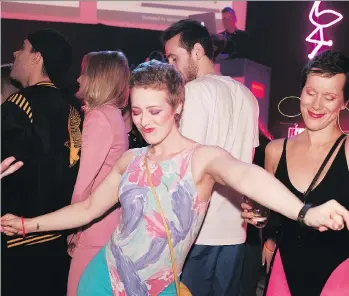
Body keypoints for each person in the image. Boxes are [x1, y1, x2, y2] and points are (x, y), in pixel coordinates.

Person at [2, 60, 349, 296]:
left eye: (155, 111)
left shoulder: (201, 159)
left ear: (178, 105)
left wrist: (305, 212)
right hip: (102, 279)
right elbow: (88, 209)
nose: (144, 122)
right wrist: (26, 224)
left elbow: (245, 174)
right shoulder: (130, 160)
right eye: (136, 111)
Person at [162, 19, 259, 295]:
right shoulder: (247, 96)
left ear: (196, 51)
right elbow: (246, 163)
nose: (171, 66)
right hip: (234, 233)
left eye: (174, 58)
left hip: (196, 233)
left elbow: (185, 166)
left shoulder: (193, 92)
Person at [243, 50, 349, 296]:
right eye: (311, 93)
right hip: (284, 272)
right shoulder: (275, 151)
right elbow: (270, 213)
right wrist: (262, 223)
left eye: (330, 97)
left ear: (344, 102)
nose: (316, 104)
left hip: (340, 276)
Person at [1, 29, 82, 296]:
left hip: (16, 242)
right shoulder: (75, 108)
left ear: (37, 57)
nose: (15, 53)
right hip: (58, 240)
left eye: (23, 48)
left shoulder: (19, 104)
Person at [66, 51, 129, 296]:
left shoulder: (99, 117)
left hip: (95, 226)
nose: (79, 80)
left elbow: (84, 183)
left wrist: (73, 230)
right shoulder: (114, 115)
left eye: (84, 73)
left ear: (97, 78)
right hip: (109, 221)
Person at [240, 122, 273, 296]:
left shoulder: (264, 148)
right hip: (253, 224)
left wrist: (271, 239)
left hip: (253, 223)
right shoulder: (264, 146)